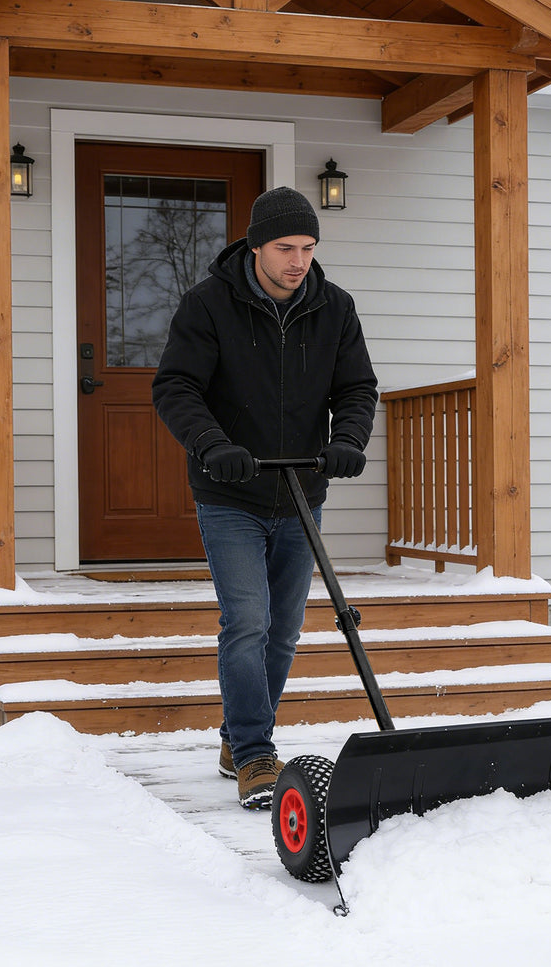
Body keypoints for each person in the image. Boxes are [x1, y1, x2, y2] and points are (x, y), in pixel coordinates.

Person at [152, 187, 378, 809]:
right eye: (285, 248)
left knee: (283, 630)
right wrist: (210, 443)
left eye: (308, 248)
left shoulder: (334, 308)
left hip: (302, 489)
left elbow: (357, 388)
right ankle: (254, 753)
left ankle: (237, 738)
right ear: (255, 247)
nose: (298, 260)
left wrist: (348, 440)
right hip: (231, 492)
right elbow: (175, 386)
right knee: (247, 620)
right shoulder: (208, 304)